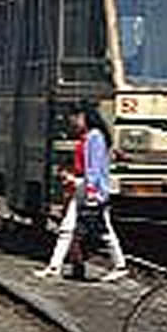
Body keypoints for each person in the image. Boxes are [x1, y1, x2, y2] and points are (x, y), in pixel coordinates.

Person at [34, 101, 129, 283]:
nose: (73, 122)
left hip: (90, 189)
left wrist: (91, 190)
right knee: (67, 228)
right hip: (83, 187)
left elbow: (94, 167)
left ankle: (120, 265)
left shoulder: (95, 137)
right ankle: (54, 266)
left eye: (76, 117)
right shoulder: (88, 136)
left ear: (85, 117)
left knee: (104, 230)